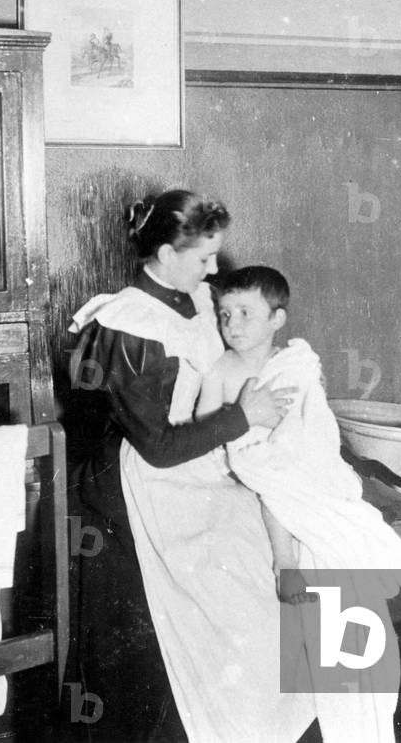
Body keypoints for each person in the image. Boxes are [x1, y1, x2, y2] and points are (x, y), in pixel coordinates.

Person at [67, 190, 316, 741]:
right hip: (152, 481)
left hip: (207, 462)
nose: (213, 268)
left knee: (286, 561)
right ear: (163, 252)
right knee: (241, 593)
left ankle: (278, 723)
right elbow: (157, 446)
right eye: (203, 257)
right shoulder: (127, 323)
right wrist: (242, 417)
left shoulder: (200, 297)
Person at [196, 265, 401, 743]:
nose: (232, 324)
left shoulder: (292, 367)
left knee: (350, 628)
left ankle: (367, 724)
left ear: (278, 319)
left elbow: (303, 449)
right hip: (261, 497)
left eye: (245, 313)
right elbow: (214, 445)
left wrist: (286, 551)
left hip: (314, 499)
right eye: (225, 313)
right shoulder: (221, 372)